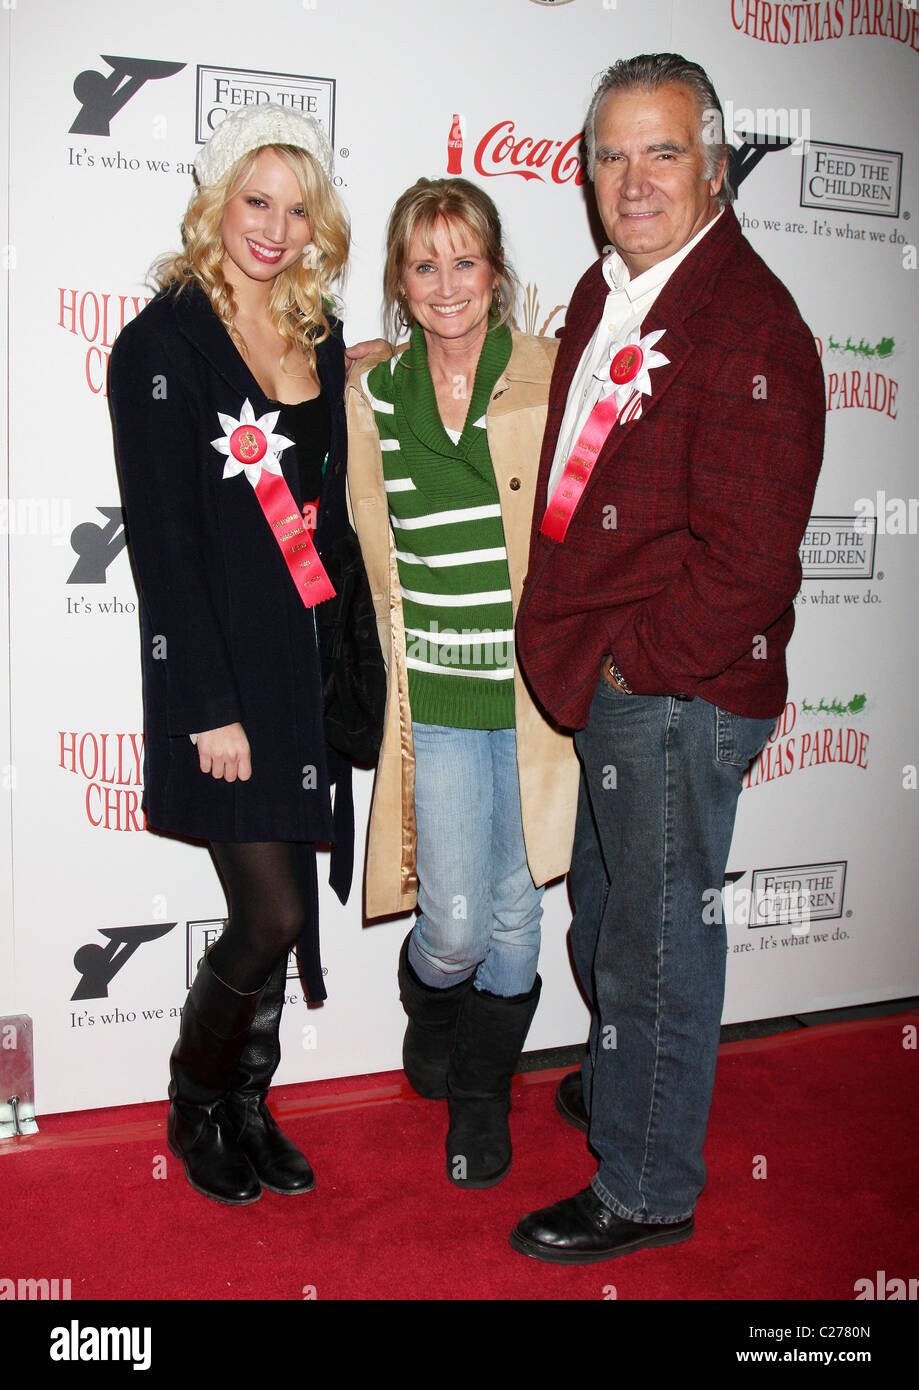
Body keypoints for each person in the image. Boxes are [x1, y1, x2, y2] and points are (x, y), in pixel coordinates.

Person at [511, 54, 825, 1262]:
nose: (633, 179)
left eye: (663, 152)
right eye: (611, 155)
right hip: (608, 673)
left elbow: (751, 562)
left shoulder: (749, 320)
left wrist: (641, 669)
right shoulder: (607, 294)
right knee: (605, 917)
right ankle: (630, 1070)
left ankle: (648, 1184)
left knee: (652, 944)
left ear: (715, 165)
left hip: (674, 689)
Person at [109, 104, 353, 1206]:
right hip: (221, 679)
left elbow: (330, 512)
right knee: (274, 916)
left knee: (290, 898)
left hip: (301, 664)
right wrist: (208, 704)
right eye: (258, 200)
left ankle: (253, 1103)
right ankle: (198, 1094)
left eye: (299, 207)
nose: (278, 228)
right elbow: (162, 544)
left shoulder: (319, 331)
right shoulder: (161, 344)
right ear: (216, 202)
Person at [346, 178, 579, 1188]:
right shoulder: (375, 393)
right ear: (400, 280)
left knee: (519, 917)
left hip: (530, 698)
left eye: (466, 261)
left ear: (497, 272)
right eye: (424, 264)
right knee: (450, 926)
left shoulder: (548, 372)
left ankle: (483, 1101)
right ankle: (429, 999)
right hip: (435, 695)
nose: (448, 285)